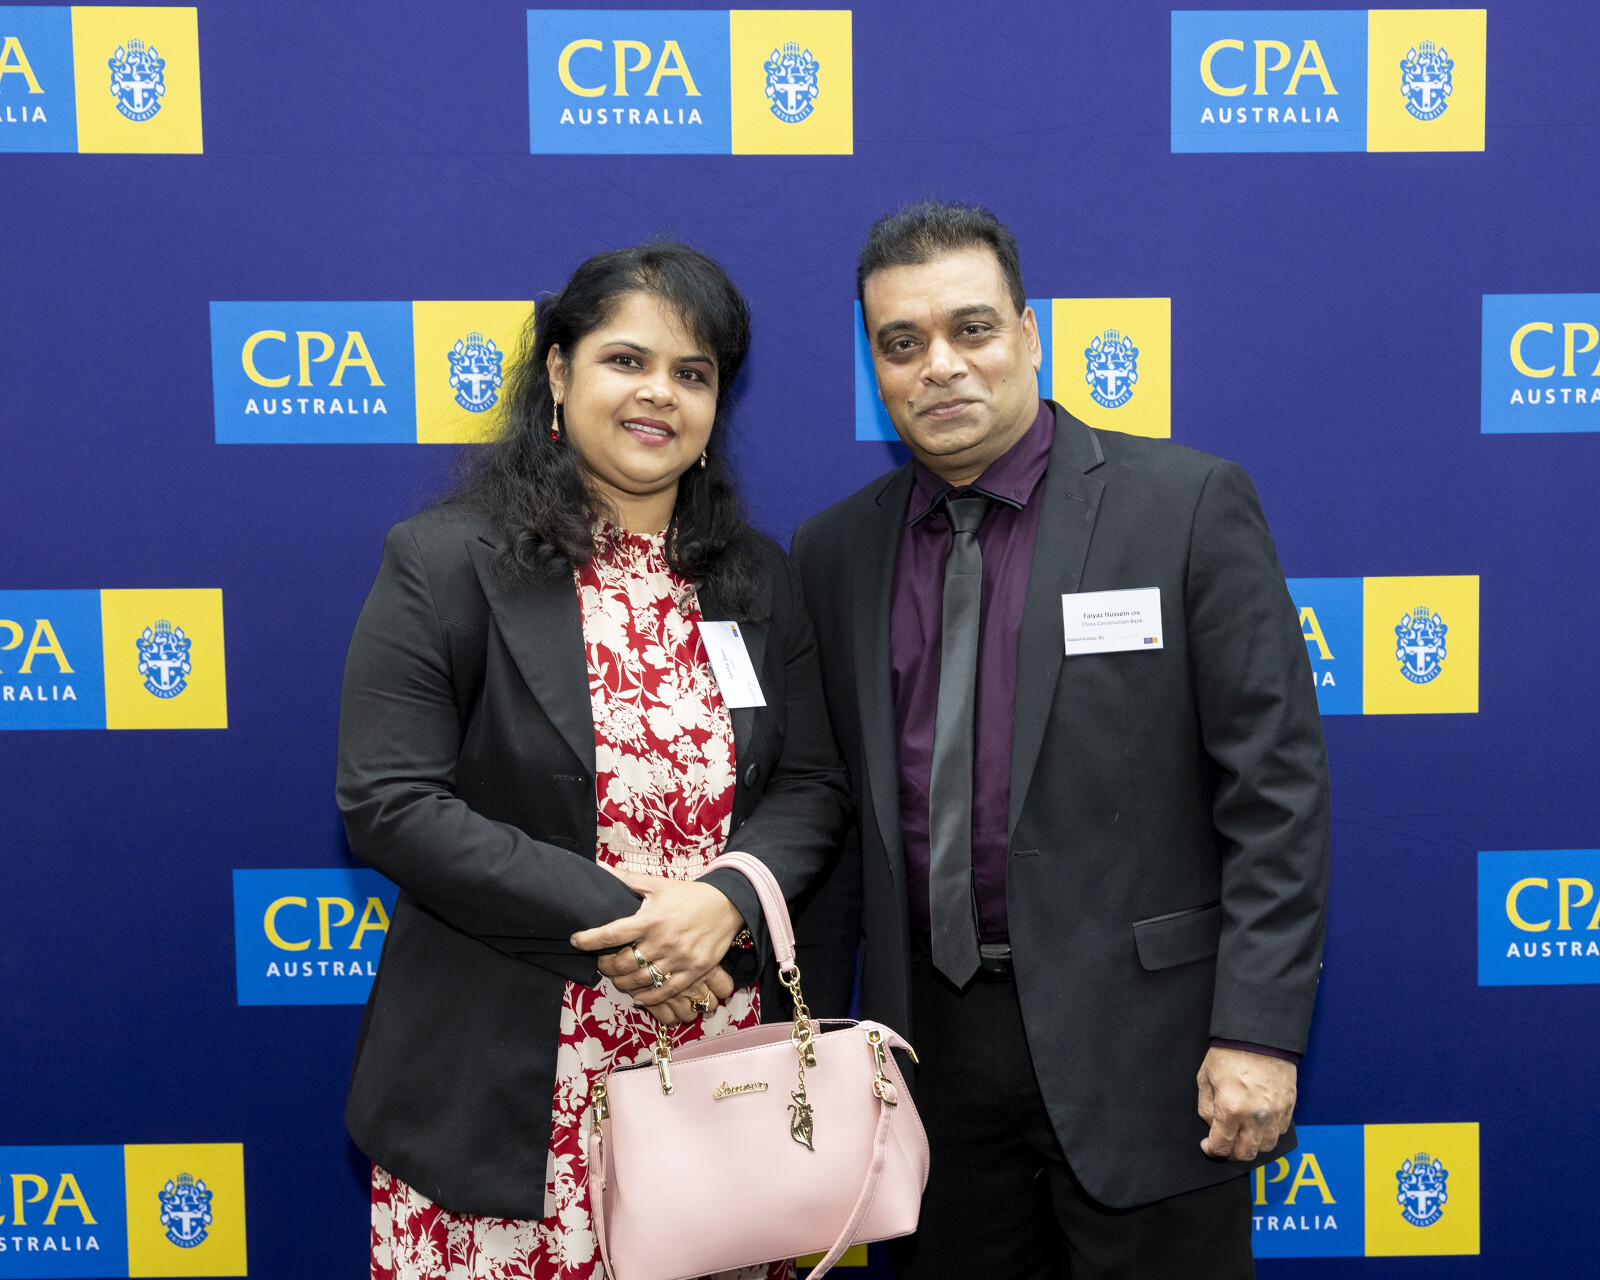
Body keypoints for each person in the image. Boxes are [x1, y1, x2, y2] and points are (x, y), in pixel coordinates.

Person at [789, 200, 1331, 1278]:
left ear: (1030, 334)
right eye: (901, 343)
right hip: (926, 1057)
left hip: (1152, 1053)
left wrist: (1258, 1031)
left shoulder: (1183, 506)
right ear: (874, 367)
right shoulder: (833, 549)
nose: (940, 366)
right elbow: (833, 813)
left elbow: (1274, 795)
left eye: (971, 329)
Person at [336, 242, 851, 1280]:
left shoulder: (755, 576)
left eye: (692, 372)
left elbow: (811, 784)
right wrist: (644, 931)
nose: (659, 392)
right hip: (500, 1080)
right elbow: (390, 800)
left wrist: (723, 902)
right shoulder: (445, 560)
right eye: (627, 360)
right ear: (560, 373)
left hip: (715, 1073)